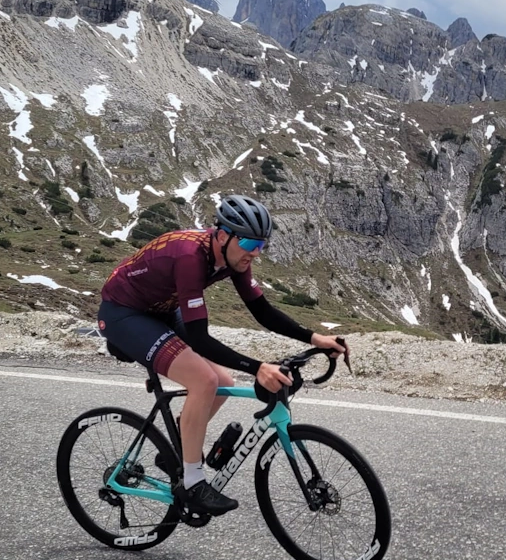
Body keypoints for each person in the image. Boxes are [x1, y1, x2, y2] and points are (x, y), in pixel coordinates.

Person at [97, 194, 347, 517]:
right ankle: (192, 482)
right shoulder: (190, 257)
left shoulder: (235, 258)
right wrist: (258, 368)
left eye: (261, 245)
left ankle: (178, 444)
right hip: (123, 314)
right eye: (248, 243)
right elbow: (200, 338)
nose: (254, 253)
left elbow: (262, 311)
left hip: (159, 309)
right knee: (204, 380)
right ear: (224, 235)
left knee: (223, 380)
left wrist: (315, 338)